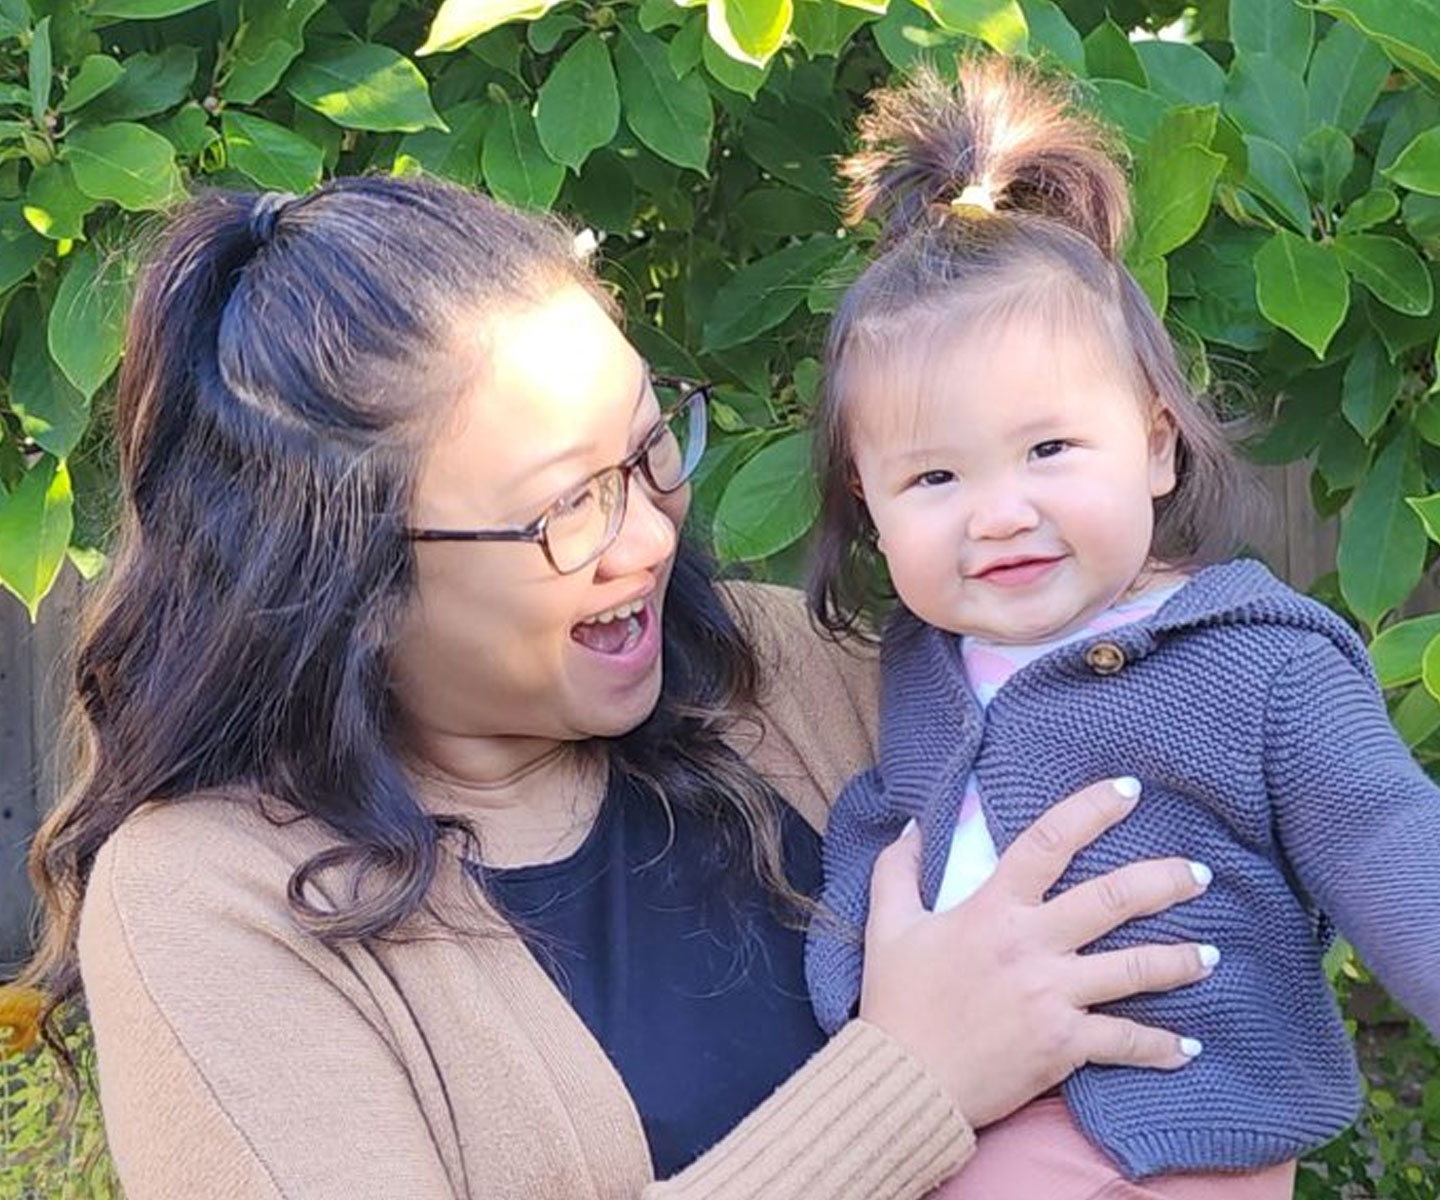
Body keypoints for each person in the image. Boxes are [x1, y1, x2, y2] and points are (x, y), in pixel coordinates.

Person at [21, 173, 1219, 1200]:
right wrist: (911, 1083)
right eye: (565, 508)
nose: (648, 535)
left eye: (649, 449)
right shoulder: (212, 902)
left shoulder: (802, 671)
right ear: (351, 581)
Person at [804, 57, 1440, 1200]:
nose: (1001, 513)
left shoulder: (1258, 665)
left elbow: (1388, 841)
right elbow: (889, 827)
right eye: (935, 476)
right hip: (949, 1118)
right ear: (869, 507)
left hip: (1164, 1133)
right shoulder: (916, 666)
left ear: (1155, 442)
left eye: (1049, 450)